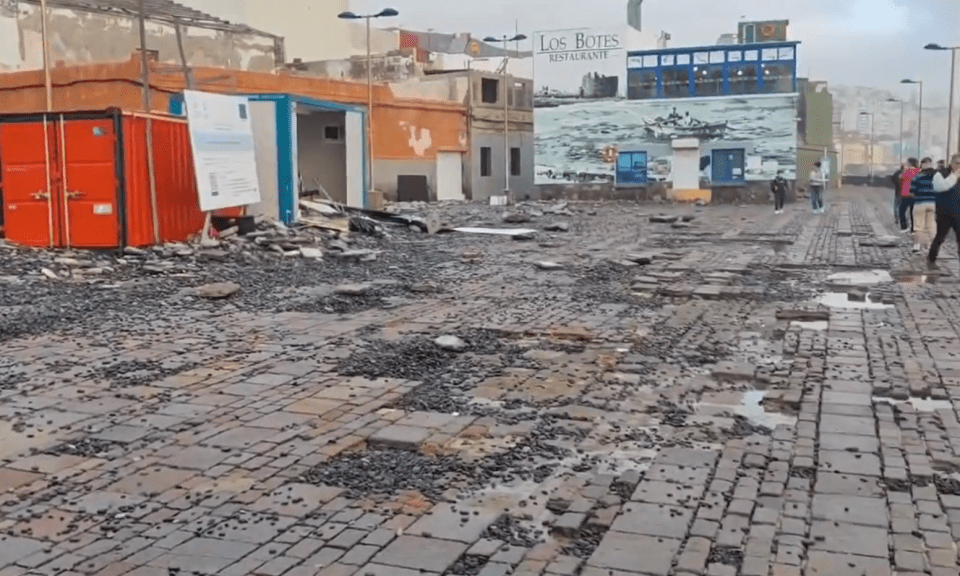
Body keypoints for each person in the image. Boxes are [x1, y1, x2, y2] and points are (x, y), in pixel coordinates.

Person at [927, 154, 960, 269]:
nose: (959, 166)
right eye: (957, 163)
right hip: (944, 212)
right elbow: (940, 187)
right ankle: (931, 259)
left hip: (958, 213)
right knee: (940, 237)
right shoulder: (940, 174)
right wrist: (954, 176)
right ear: (951, 163)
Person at [911, 158, 937, 252]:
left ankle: (917, 245)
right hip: (933, 203)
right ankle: (931, 246)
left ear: (922, 165)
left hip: (920, 203)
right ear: (931, 164)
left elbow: (912, 190)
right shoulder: (937, 176)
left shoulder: (917, 176)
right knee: (931, 226)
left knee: (918, 226)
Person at [899, 158, 920, 233]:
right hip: (915, 194)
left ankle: (904, 226)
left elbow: (901, 181)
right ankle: (913, 228)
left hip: (906, 194)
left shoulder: (907, 171)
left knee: (902, 211)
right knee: (913, 212)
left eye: (907, 162)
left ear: (910, 163)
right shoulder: (919, 171)